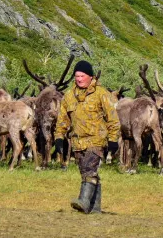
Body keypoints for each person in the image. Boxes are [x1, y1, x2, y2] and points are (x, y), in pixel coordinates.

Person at [53, 60, 121, 214]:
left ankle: (83, 201)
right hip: (78, 142)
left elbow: (112, 118)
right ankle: (95, 208)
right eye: (76, 76)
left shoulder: (102, 94)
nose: (79, 79)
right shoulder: (69, 96)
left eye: (82, 76)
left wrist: (113, 139)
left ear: (90, 77)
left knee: (90, 170)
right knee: (86, 172)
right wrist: (59, 137)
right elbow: (63, 119)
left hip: (97, 139)